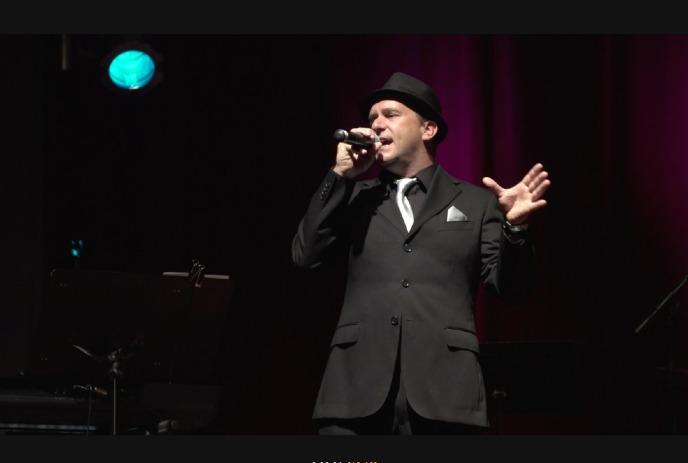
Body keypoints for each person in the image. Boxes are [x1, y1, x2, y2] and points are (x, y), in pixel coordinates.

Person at [291, 71, 550, 435]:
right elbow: (306, 256)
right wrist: (339, 174)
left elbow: (511, 289)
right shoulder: (353, 198)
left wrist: (515, 230)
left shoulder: (476, 203)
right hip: (355, 394)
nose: (376, 125)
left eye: (390, 114)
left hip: (444, 398)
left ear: (428, 129)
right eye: (371, 118)